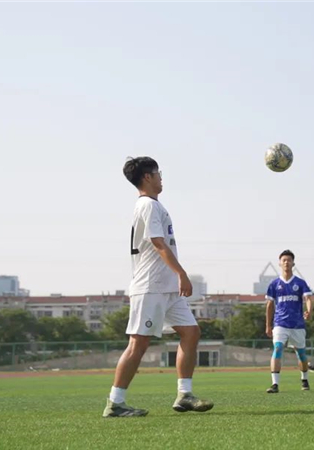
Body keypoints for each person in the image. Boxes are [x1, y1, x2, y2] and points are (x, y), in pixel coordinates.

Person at [103, 157, 213, 418]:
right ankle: (115, 403)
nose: (161, 177)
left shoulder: (154, 205)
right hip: (151, 286)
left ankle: (184, 395)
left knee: (191, 332)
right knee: (138, 344)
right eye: (157, 173)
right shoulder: (148, 205)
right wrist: (182, 273)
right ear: (147, 177)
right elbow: (157, 242)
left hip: (167, 288)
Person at [264, 250, 314, 393]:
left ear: (293, 263)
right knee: (278, 348)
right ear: (280, 263)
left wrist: (309, 311)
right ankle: (275, 384)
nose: (286, 262)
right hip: (280, 323)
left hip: (297, 324)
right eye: (284, 260)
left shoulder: (300, 282)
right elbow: (269, 305)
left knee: (301, 354)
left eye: (289, 260)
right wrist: (268, 325)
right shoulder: (274, 284)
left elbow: (308, 298)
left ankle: (304, 379)